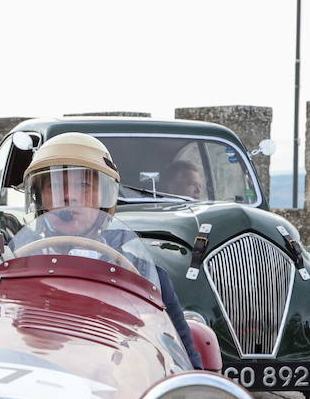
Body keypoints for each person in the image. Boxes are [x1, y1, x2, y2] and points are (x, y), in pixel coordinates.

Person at [20, 132, 200, 365]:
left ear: (105, 196)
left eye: (83, 185)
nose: (68, 196)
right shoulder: (15, 268)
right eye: (54, 186)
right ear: (39, 200)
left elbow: (185, 363)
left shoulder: (146, 276)